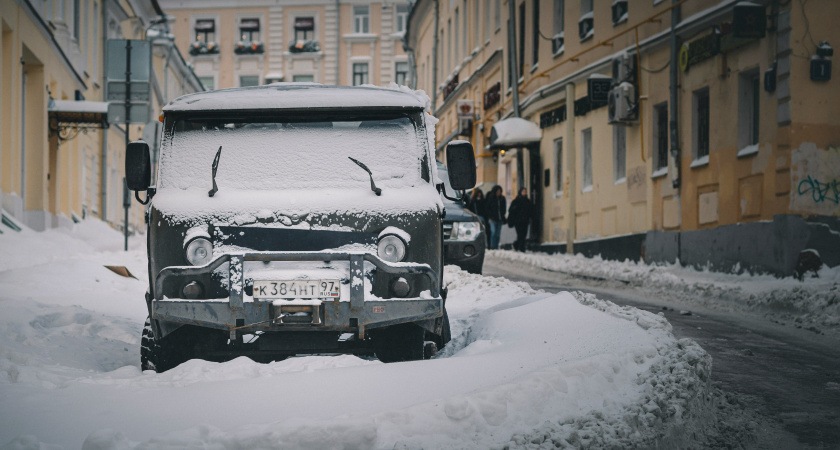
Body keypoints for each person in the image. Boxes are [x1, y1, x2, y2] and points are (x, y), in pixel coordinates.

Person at [507, 187, 534, 252]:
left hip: (525, 220)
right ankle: (521, 248)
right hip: (518, 221)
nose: (524, 193)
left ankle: (516, 245)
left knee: (524, 234)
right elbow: (511, 210)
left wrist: (531, 217)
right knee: (520, 234)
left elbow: (531, 210)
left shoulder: (527, 201)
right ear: (520, 192)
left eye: (525, 191)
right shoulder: (516, 201)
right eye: (523, 191)